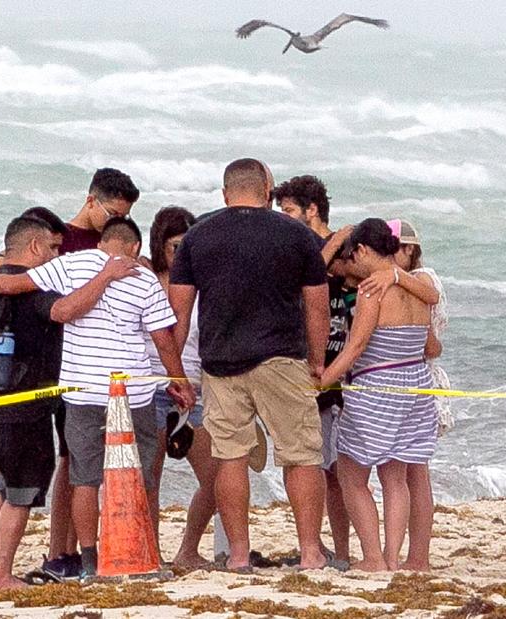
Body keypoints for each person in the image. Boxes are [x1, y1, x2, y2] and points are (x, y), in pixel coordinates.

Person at [0, 217, 196, 577]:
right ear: (135, 248)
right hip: (133, 393)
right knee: (139, 477)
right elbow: (163, 338)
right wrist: (179, 380)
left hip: (83, 390)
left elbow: (16, 284)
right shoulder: (144, 277)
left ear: (102, 243)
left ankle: (89, 561)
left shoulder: (71, 263)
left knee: (85, 479)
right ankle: (141, 552)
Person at [0, 168, 141, 579]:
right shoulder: (34, 287)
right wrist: (106, 276)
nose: (56, 256)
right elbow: (64, 311)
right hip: (25, 402)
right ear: (35, 244)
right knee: (19, 493)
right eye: (51, 248)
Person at [169, 158, 332, 572]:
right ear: (267, 191)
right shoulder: (296, 234)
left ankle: (238, 555)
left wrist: (177, 372)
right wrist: (317, 359)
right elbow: (317, 304)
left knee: (230, 458)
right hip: (282, 357)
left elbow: (179, 312)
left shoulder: (197, 236)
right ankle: (311, 551)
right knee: (301, 455)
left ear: (225, 194)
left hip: (221, 363)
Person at [320, 218, 441, 572]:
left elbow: (355, 348)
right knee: (396, 478)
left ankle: (373, 557)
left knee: (351, 475)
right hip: (415, 386)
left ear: (361, 250)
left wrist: (323, 380)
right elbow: (431, 336)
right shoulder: (419, 286)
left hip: (376, 389)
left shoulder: (374, 290)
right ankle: (392, 557)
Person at [357, 219, 444, 572]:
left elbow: (433, 344)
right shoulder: (413, 284)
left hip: (411, 381)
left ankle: (413, 556)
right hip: (416, 381)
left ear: (408, 250)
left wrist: (392, 276)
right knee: (409, 475)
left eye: (396, 251)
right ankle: (411, 557)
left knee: (413, 475)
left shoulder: (420, 281)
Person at [273, 175, 351, 566]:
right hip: (304, 364)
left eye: (287, 210)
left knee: (336, 468)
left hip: (343, 364)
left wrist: (335, 243)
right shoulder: (294, 247)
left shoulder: (343, 245)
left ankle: (341, 548)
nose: (282, 218)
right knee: (312, 463)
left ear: (312, 210)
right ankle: (317, 545)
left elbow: (318, 274)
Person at [144, 206, 218, 568]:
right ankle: (151, 554)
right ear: (160, 244)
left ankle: (188, 549)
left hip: (196, 389)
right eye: (176, 246)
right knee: (149, 480)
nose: (183, 253)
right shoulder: (145, 279)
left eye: (189, 245)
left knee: (216, 477)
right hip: (153, 386)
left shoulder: (203, 283)